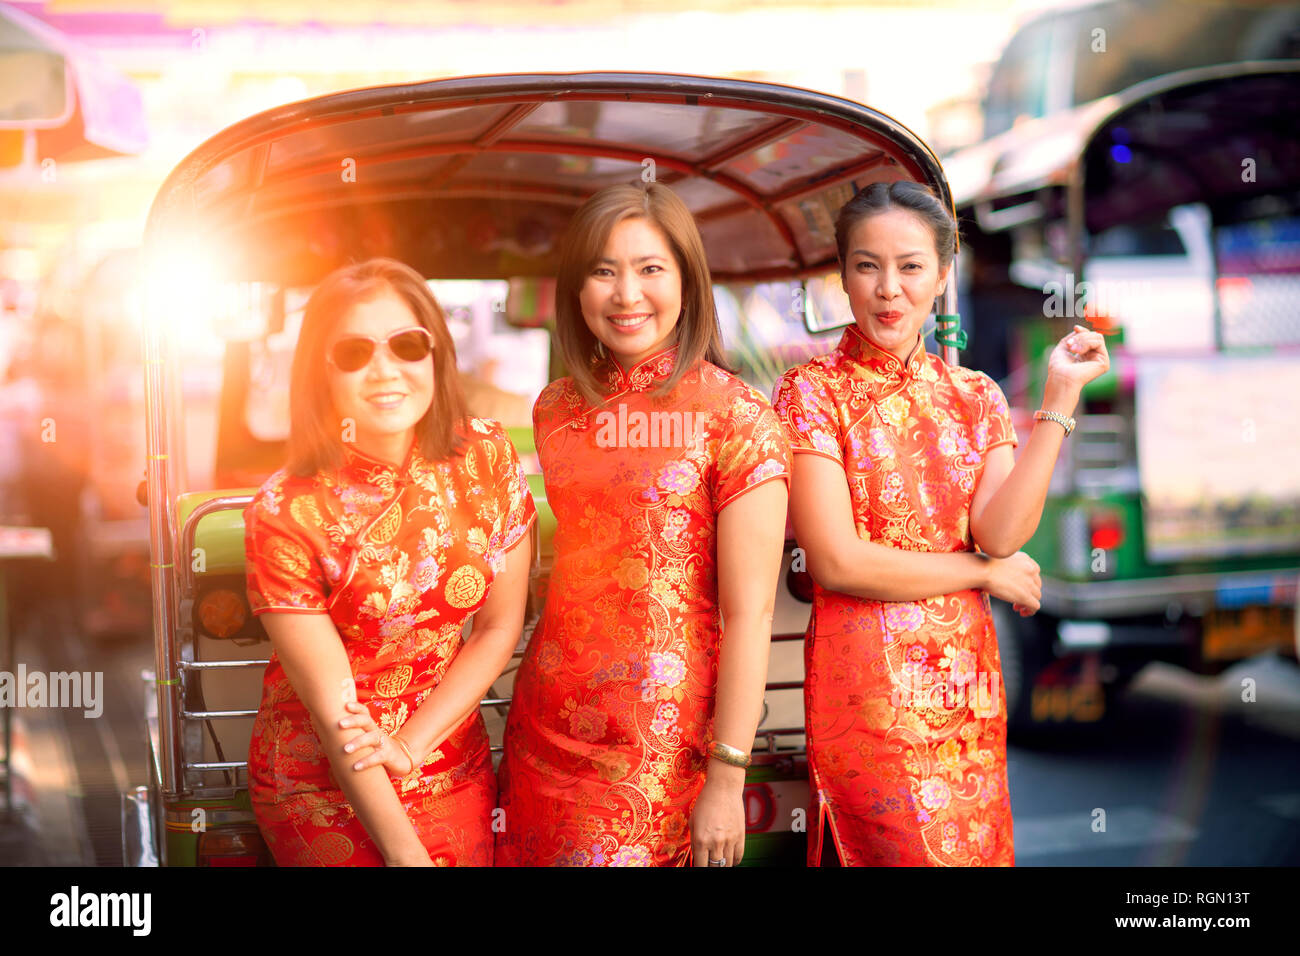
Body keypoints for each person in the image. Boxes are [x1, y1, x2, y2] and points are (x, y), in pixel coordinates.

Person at [772, 181, 1109, 866]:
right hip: (868, 704)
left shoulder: (976, 396)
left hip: (967, 695)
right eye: (867, 265)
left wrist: (1058, 399)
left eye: (910, 266)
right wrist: (984, 574)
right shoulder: (811, 393)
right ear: (842, 274)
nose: (888, 288)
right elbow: (838, 562)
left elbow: (1002, 532)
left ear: (943, 275)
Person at [495, 183, 791, 867]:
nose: (626, 293)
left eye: (650, 268)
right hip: (543, 724)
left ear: (688, 280)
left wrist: (726, 774)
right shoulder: (555, 410)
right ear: (577, 290)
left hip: (660, 743)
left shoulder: (738, 418)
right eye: (604, 270)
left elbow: (750, 614)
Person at [244, 258, 535, 866]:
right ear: (319, 372)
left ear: (435, 353)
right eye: (353, 353)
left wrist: (409, 745)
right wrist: (407, 857)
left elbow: (498, 629)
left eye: (406, 345)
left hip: (446, 759)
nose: (385, 371)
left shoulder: (486, 455)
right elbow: (335, 716)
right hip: (320, 780)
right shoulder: (286, 510)